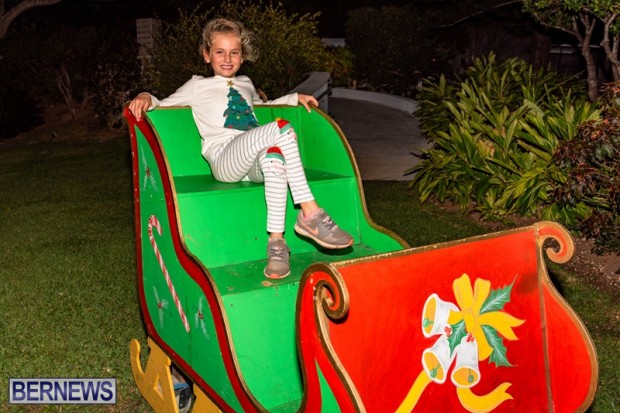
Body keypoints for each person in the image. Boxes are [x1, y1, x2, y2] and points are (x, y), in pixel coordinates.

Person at [128, 17, 353, 279]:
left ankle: (276, 245)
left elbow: (261, 108)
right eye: (219, 52)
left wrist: (293, 98)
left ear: (242, 56)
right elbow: (164, 103)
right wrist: (145, 96)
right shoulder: (197, 85)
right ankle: (310, 213)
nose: (227, 58)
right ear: (206, 55)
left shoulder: (246, 83)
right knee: (281, 128)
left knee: (275, 158)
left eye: (234, 52)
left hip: (251, 160)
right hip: (224, 159)